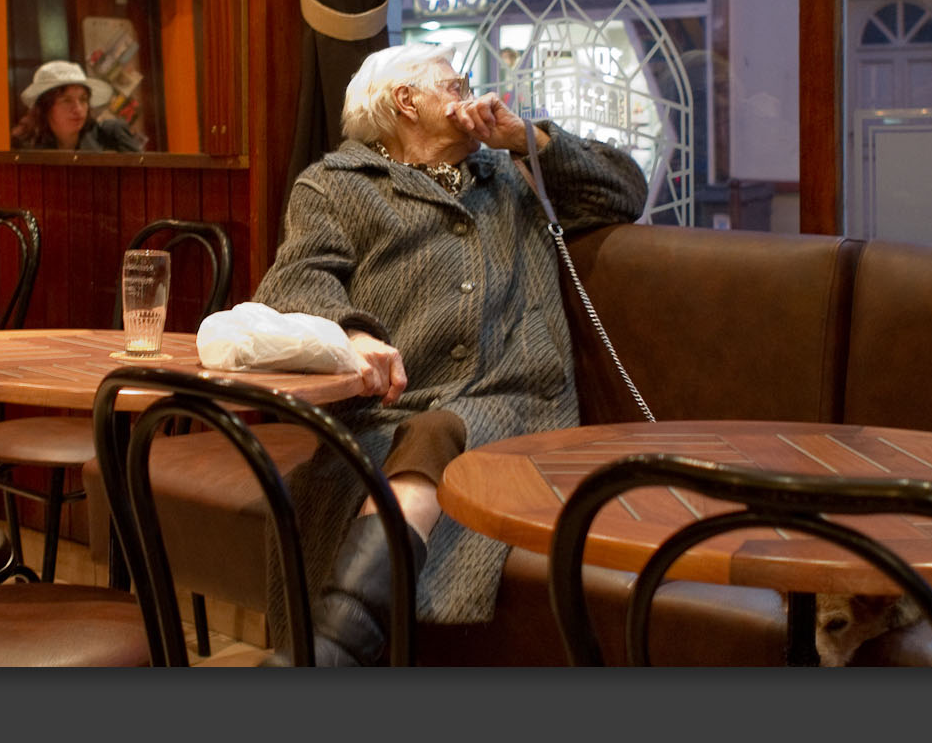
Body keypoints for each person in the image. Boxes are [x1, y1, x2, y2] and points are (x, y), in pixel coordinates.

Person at [250, 41, 647, 665]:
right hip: (387, 404)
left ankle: (321, 657)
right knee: (344, 474)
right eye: (456, 86)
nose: (473, 97)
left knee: (436, 431)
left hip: (512, 399)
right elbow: (294, 281)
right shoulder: (334, 185)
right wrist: (351, 334)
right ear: (406, 101)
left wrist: (528, 139)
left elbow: (622, 192)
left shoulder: (511, 175)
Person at [10, 60, 146, 152]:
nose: (78, 109)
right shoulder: (27, 147)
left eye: (83, 99)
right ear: (45, 108)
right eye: (67, 101)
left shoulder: (111, 135)